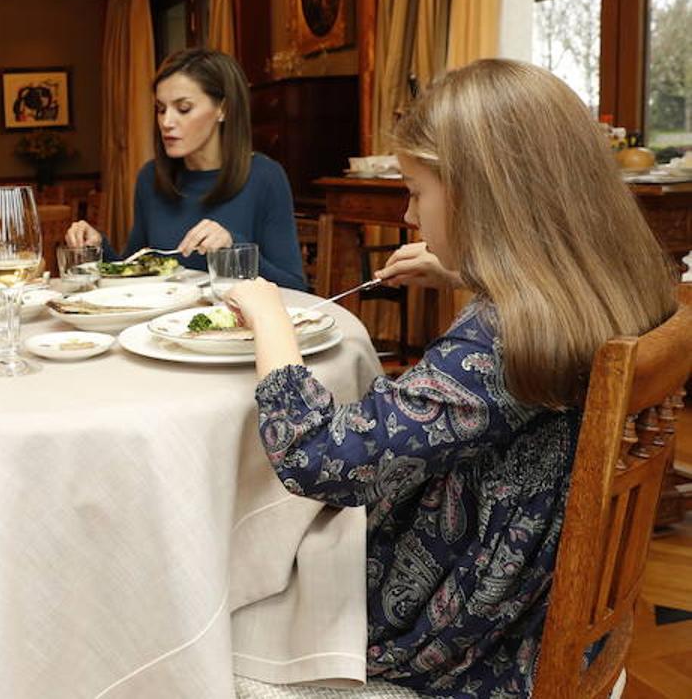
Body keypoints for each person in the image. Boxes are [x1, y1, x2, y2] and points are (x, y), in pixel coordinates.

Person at [225, 59, 675, 696]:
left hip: (463, 634)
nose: (410, 216)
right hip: (534, 599)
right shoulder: (617, 281)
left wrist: (269, 316)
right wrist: (465, 272)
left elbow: (317, 456)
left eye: (416, 191)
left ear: (481, 195)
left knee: (227, 607)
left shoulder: (499, 340)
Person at [64, 48, 307, 290]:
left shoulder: (265, 177)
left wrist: (234, 249)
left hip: (233, 316)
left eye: (183, 108)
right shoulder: (150, 178)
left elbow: (295, 288)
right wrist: (97, 248)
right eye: (161, 109)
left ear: (223, 109)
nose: (166, 122)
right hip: (162, 316)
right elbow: (134, 273)